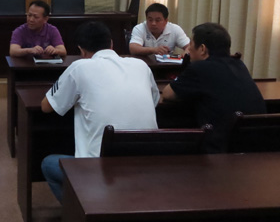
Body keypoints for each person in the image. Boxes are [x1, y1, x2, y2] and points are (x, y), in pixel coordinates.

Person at [40, 22, 160, 202]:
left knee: (49, 164)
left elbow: (46, 106)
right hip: (146, 163)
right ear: (111, 43)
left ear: (81, 50)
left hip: (100, 169)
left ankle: (79, 211)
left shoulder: (79, 67)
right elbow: (155, 101)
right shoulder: (140, 65)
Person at [161, 23, 265, 153]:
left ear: (202, 49)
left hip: (221, 150)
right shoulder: (239, 65)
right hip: (256, 147)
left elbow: (167, 94)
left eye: (191, 45)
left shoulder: (199, 68)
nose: (189, 49)